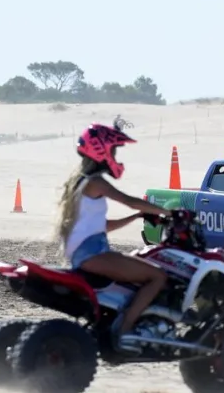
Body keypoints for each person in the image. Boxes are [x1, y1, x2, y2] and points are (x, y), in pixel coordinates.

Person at [56, 121, 171, 353]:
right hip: (93, 255)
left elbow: (101, 226)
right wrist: (170, 212)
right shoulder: (95, 182)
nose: (115, 156)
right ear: (101, 150)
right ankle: (125, 331)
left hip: (85, 254)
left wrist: (137, 217)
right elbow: (128, 200)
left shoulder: (80, 183)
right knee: (157, 276)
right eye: (114, 150)